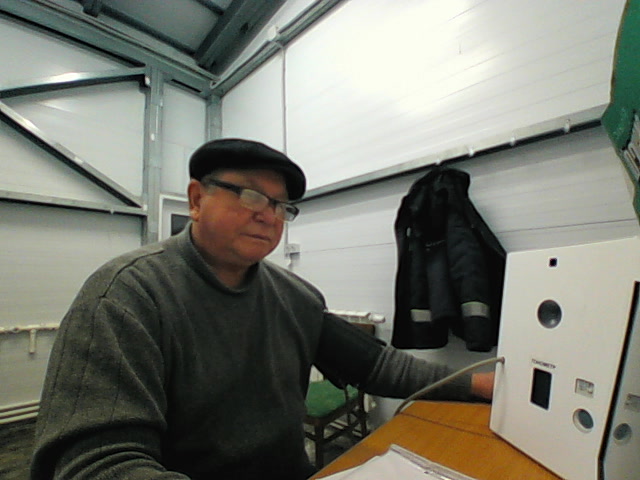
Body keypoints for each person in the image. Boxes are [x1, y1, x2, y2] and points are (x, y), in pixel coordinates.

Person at [30, 138, 495, 480]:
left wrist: (480, 384)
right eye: (251, 195)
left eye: (281, 206)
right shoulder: (126, 296)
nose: (269, 215)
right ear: (196, 200)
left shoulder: (296, 297)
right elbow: (97, 464)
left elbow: (378, 366)